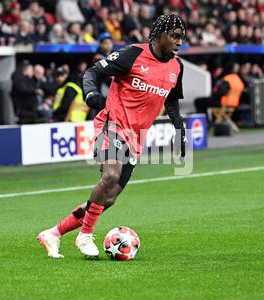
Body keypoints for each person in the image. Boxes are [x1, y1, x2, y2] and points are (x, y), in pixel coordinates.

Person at [37, 13, 187, 259]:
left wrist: (179, 128)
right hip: (112, 123)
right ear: (161, 34)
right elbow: (92, 72)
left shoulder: (176, 67)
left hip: (137, 136)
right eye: (175, 36)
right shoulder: (133, 54)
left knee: (109, 198)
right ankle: (85, 236)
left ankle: (53, 233)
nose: (179, 42)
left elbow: (171, 101)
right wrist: (91, 95)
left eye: (182, 37)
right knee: (110, 175)